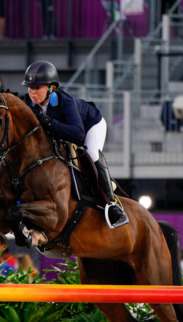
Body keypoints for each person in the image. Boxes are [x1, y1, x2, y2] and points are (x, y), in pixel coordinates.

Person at [21, 60, 129, 229]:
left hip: (90, 125)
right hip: (62, 133)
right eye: (30, 87)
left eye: (38, 88)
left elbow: (78, 135)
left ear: (51, 88)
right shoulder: (28, 103)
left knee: (92, 153)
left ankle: (112, 204)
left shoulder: (65, 102)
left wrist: (49, 123)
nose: (33, 92)